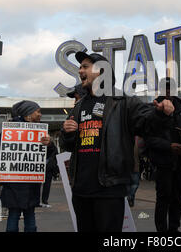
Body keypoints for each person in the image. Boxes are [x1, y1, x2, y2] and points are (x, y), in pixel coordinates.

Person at [61, 52, 175, 232]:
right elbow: (67, 146)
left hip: (109, 189)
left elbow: (146, 124)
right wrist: (66, 133)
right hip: (81, 190)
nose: (80, 70)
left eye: (85, 66)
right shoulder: (79, 106)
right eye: (80, 67)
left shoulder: (123, 101)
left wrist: (160, 113)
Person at [0, 100, 53, 232]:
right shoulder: (10, 129)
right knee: (17, 217)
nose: (40, 114)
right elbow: (0, 153)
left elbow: (49, 153)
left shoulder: (41, 132)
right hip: (15, 183)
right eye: (37, 111)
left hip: (29, 183)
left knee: (24, 218)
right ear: (28, 114)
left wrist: (49, 144)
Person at [146, 77, 181, 232]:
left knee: (178, 199)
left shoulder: (180, 108)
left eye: (170, 88)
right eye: (165, 89)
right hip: (163, 163)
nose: (168, 92)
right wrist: (168, 146)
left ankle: (174, 230)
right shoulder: (154, 109)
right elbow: (149, 139)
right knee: (163, 199)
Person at [40, 141, 59, 208]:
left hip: (48, 168)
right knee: (42, 186)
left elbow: (56, 158)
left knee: (46, 186)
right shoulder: (52, 148)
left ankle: (43, 201)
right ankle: (42, 201)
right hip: (44, 167)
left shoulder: (52, 147)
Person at [127, 136, 141, 207]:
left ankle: (130, 198)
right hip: (130, 165)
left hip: (135, 165)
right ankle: (130, 199)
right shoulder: (136, 139)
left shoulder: (137, 139)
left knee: (134, 184)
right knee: (133, 183)